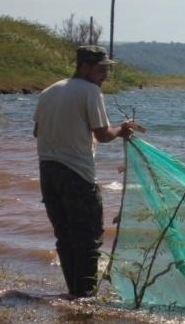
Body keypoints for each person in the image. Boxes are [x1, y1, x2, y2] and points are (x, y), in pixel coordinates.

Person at [33, 45, 144, 298]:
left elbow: (37, 132)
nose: (105, 75)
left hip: (47, 171)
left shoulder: (49, 91)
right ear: (84, 67)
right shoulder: (90, 91)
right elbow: (103, 135)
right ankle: (85, 296)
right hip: (77, 174)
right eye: (101, 69)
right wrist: (123, 129)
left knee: (65, 236)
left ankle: (74, 293)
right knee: (89, 239)